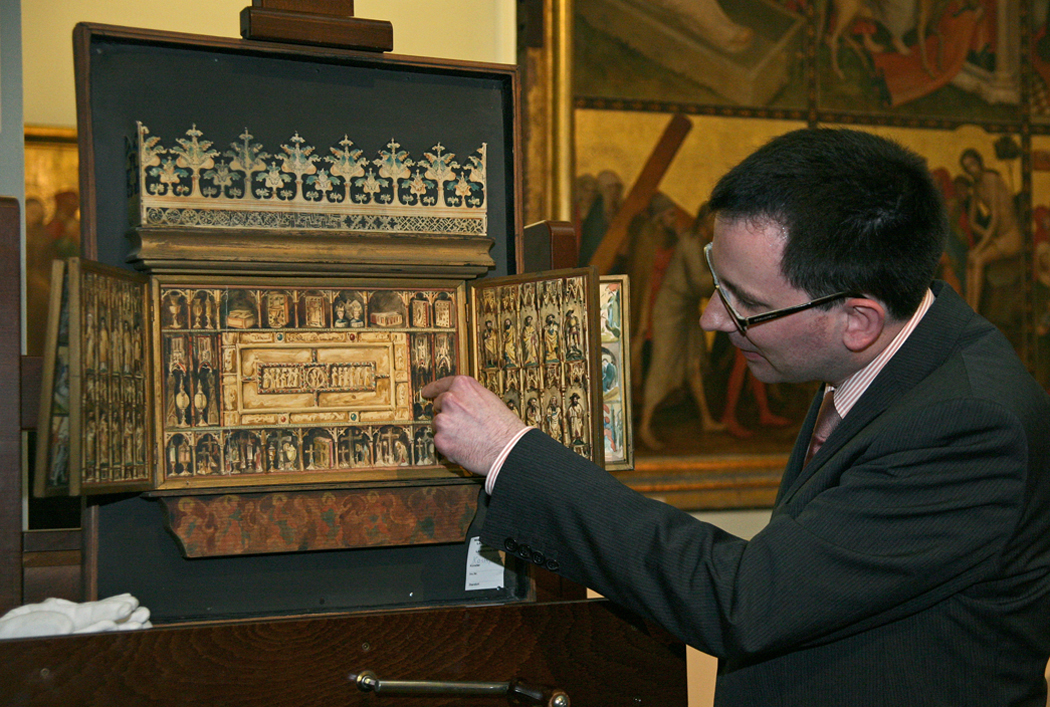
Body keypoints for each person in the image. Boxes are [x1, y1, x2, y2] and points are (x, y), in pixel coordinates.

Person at [422, 128, 1050, 705]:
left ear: (857, 321)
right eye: (716, 282)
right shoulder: (892, 355)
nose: (710, 319)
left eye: (745, 304)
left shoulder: (968, 425)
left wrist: (511, 452)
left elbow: (745, 601)